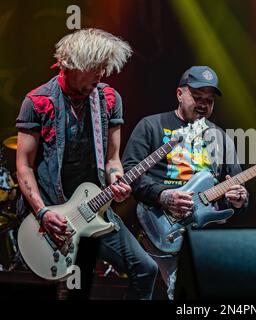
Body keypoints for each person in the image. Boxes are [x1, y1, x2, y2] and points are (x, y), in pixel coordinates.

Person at [15, 28, 158, 299]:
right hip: (50, 213)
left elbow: (113, 159)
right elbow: (24, 167)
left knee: (145, 269)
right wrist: (43, 212)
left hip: (93, 208)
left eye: (105, 67)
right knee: (63, 291)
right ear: (73, 64)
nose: (102, 74)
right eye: (96, 67)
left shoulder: (109, 99)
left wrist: (116, 179)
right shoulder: (37, 101)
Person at [122, 66, 249, 299]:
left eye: (209, 100)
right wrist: (162, 195)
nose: (203, 104)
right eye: (197, 97)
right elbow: (130, 172)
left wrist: (240, 198)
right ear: (180, 94)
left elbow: (235, 183)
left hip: (201, 232)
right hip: (158, 225)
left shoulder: (219, 137)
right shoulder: (151, 125)